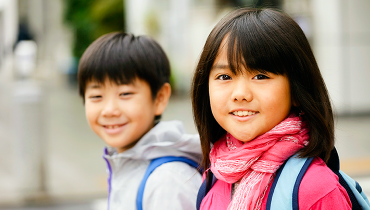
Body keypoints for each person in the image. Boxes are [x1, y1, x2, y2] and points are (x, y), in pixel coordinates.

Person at [191, 8, 352, 210]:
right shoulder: (215, 175)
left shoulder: (315, 188)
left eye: (260, 76)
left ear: (296, 90)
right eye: (224, 77)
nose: (240, 94)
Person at [78, 32, 202, 210]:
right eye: (96, 96)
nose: (109, 110)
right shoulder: (126, 163)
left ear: (159, 98)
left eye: (125, 94)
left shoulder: (166, 180)